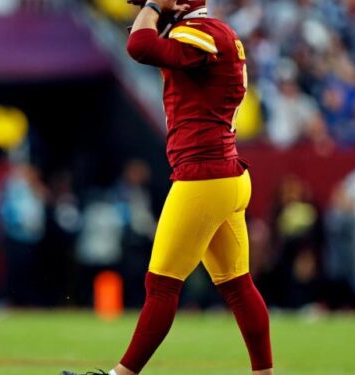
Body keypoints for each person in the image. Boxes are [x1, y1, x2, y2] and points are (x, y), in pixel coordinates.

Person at [62, 0, 273, 374]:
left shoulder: (200, 34)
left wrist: (155, 6)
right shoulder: (216, 33)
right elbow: (148, 39)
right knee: (238, 286)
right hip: (226, 175)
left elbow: (139, 46)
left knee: (161, 285)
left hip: (204, 177)